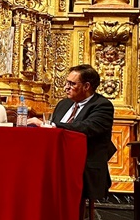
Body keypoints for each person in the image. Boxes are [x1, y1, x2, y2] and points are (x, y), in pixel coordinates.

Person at [27, 64, 116, 199]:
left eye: (71, 84)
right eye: (66, 83)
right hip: (55, 162)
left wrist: (49, 125)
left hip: (83, 167)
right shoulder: (64, 104)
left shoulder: (102, 106)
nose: (66, 88)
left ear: (86, 86)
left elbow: (85, 128)